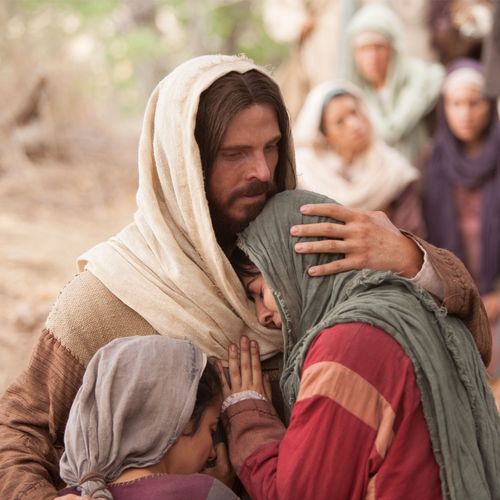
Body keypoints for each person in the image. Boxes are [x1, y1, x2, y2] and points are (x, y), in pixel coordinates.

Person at [0, 55, 491, 500]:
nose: (262, 170)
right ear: (185, 165)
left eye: (273, 146)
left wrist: (410, 257)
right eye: (236, 153)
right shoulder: (114, 294)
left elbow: (468, 345)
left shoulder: (308, 251)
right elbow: (18, 433)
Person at [221, 190, 500, 500]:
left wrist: (249, 417)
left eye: (259, 291)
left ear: (298, 267)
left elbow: (301, 494)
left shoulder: (348, 345)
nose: (261, 316)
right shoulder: (414, 305)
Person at [56, 336, 236, 499]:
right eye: (211, 429)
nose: (213, 453)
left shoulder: (68, 496)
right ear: (178, 421)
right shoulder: (202, 492)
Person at [423, 59, 500, 381]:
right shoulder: (431, 164)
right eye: (456, 103)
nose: (465, 113)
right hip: (450, 296)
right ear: (444, 107)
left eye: (475, 103)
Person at [294, 80, 425, 236]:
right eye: (340, 121)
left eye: (354, 112)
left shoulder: (393, 169)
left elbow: (413, 237)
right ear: (325, 135)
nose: (354, 124)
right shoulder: (306, 174)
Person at [343, 3, 444, 163]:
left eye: (379, 47)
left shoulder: (421, 80)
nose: (372, 57)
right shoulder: (350, 94)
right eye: (364, 49)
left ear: (393, 49)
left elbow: (395, 129)